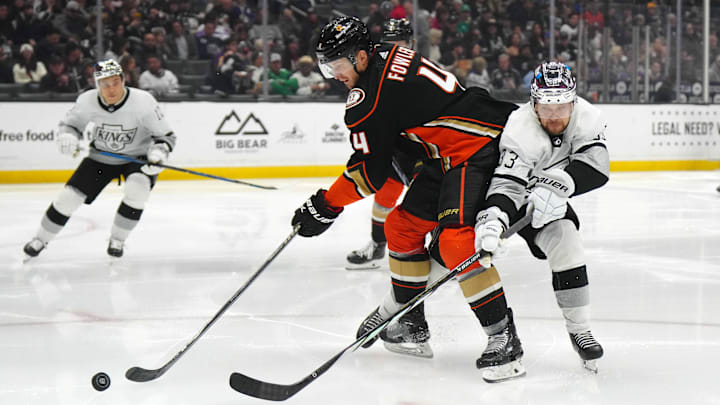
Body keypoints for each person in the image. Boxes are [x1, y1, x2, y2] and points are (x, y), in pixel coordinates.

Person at [291, 16, 524, 382]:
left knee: (456, 242)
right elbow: (383, 150)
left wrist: (326, 205)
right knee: (400, 228)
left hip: (476, 148)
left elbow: (371, 174)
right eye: (326, 65)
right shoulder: (387, 55)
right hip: (447, 152)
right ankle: (410, 322)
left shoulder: (368, 98)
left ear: (360, 57)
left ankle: (504, 338)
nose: (332, 74)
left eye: (336, 64)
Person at [474, 62, 608, 372]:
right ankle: (408, 311)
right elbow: (508, 184)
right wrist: (495, 219)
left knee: (567, 242)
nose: (555, 117)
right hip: (516, 197)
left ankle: (580, 330)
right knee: (464, 249)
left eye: (562, 107)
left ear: (573, 101)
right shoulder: (519, 128)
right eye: (547, 109)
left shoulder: (587, 117)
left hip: (552, 199)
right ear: (533, 104)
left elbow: (597, 166)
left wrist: (557, 187)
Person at [23, 59, 176, 259]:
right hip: (101, 156)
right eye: (105, 84)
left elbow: (166, 136)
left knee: (137, 189)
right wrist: (68, 136)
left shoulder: (143, 101)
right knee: (68, 198)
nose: (111, 89)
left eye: (115, 82)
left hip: (137, 158)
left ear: (123, 80)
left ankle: (118, 239)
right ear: (97, 85)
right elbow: (71, 125)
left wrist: (158, 154)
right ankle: (40, 239)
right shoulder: (87, 100)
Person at [344, 17, 417, 270]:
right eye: (390, 42)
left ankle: (446, 251)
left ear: (411, 43)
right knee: (385, 195)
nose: (394, 47)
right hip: (396, 149)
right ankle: (377, 246)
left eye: (400, 42)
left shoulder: (422, 68)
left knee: (433, 201)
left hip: (426, 149)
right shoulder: (376, 72)